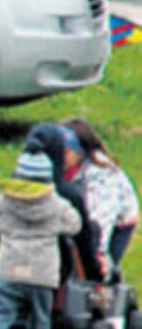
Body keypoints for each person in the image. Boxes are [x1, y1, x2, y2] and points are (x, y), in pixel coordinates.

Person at [0, 152, 81, 329]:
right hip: (42, 273)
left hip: (9, 269)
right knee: (40, 321)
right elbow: (74, 224)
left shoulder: (5, 201)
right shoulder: (56, 203)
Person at [24, 122, 102, 279]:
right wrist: (96, 273)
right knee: (93, 229)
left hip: (11, 270)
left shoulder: (10, 195)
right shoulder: (67, 195)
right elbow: (83, 242)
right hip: (54, 275)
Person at [64, 117, 139, 277]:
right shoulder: (59, 166)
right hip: (80, 215)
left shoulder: (102, 174)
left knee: (98, 271)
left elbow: (102, 218)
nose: (60, 155)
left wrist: (98, 254)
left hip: (117, 222)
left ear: (80, 151)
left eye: (66, 150)